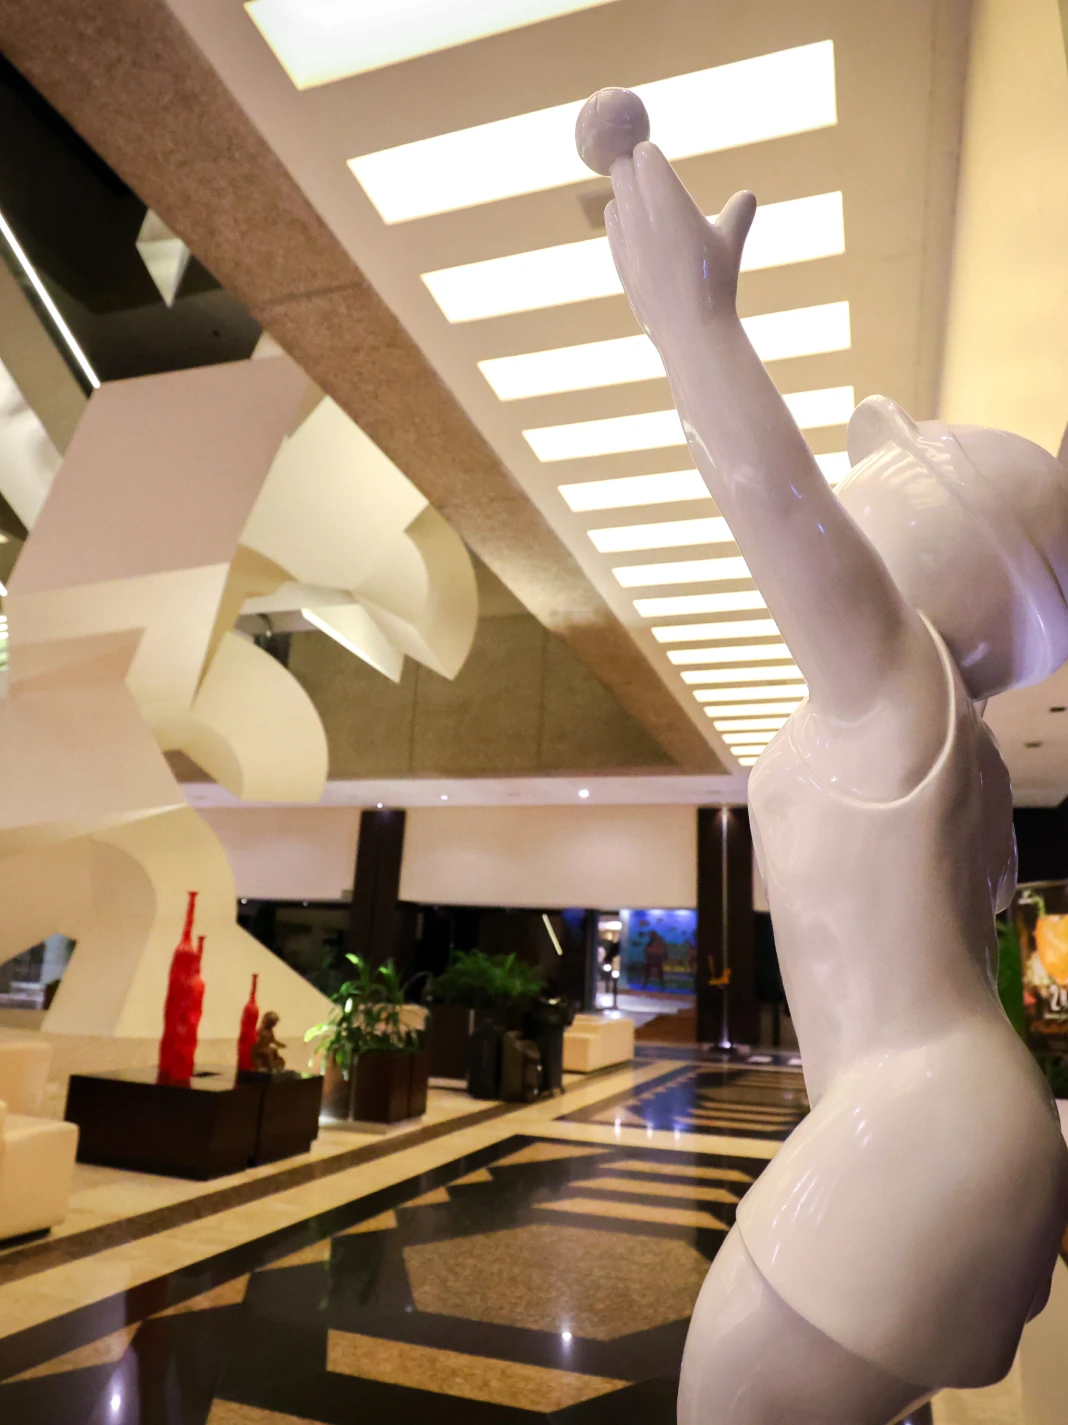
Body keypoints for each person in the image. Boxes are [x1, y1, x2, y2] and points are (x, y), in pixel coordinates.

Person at [575, 89, 1068, 1425]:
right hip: (937, 1120)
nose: (846, 513)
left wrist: (693, 324)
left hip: (926, 1128)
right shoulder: (945, 743)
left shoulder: (903, 689)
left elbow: (772, 498)